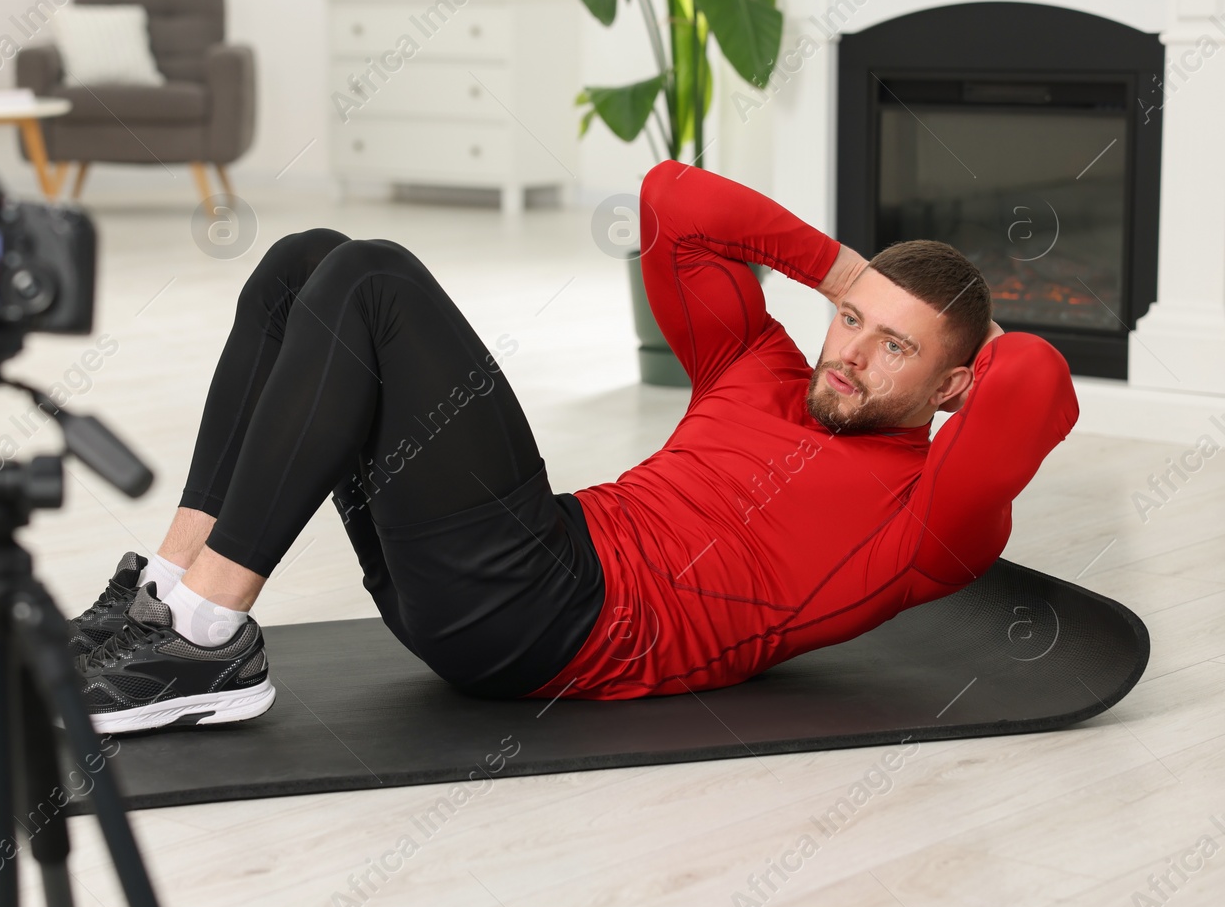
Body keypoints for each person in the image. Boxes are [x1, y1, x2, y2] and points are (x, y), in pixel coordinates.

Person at [69, 160, 1078, 734]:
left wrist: (973, 338)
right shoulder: (757, 363)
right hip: (513, 563)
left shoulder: (928, 518)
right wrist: (846, 271)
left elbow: (1037, 384)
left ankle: (206, 639)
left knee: (373, 281)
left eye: (894, 345)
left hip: (560, 619)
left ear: (952, 386)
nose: (851, 353)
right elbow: (672, 199)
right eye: (850, 321)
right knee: (305, 266)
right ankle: (169, 587)